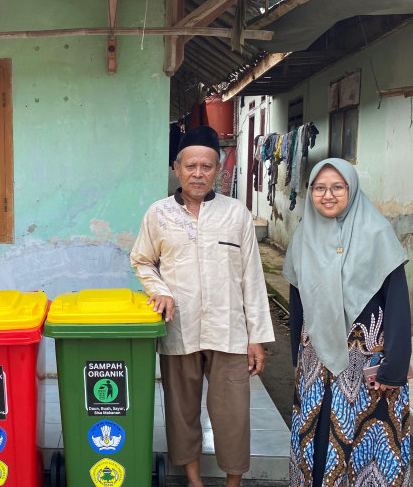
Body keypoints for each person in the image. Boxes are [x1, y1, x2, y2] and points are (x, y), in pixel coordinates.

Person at [130, 125, 274, 487]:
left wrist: (257, 337)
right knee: (182, 411)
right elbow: (142, 260)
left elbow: (253, 279)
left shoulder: (236, 214)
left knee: (233, 413)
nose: (198, 173)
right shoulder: (158, 213)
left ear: (217, 170)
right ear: (176, 168)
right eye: (190, 165)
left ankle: (233, 482)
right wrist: (159, 289)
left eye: (207, 166)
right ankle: (194, 480)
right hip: (179, 328)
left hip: (229, 331)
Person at [284, 158, 410, 486]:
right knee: (318, 436)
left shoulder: (378, 233)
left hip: (369, 359)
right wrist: (297, 359)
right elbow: (297, 300)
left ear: (351, 189)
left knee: (368, 445)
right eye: (320, 188)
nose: (328, 195)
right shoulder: (302, 237)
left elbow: (397, 304)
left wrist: (394, 368)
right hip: (316, 360)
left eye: (337, 187)